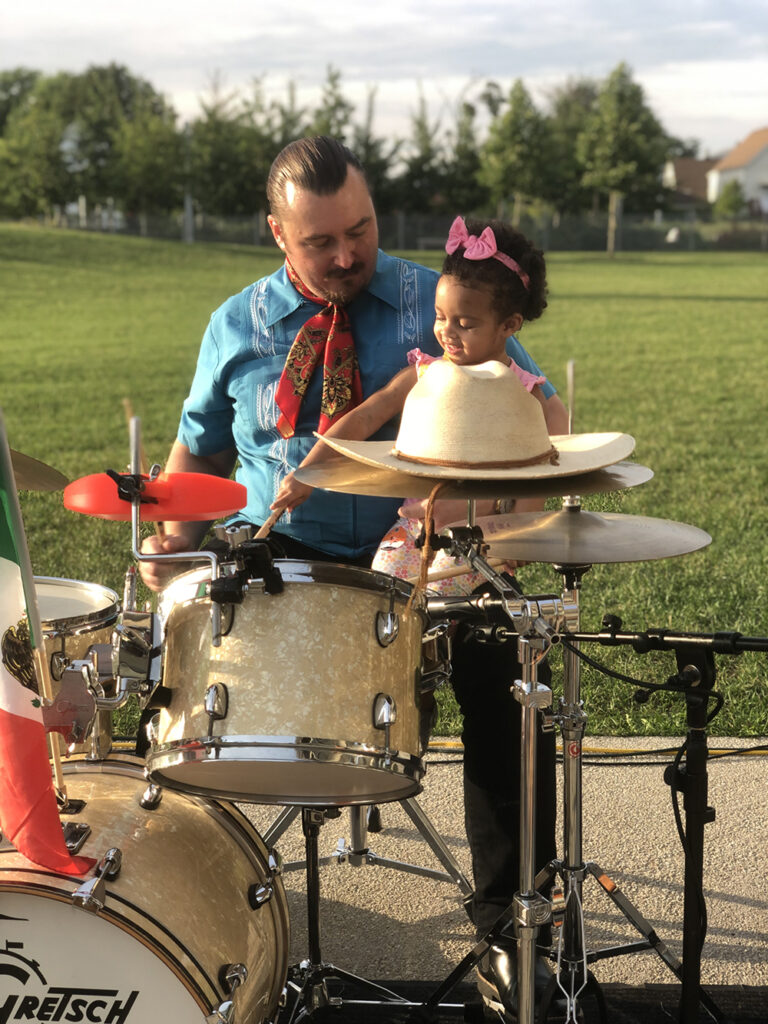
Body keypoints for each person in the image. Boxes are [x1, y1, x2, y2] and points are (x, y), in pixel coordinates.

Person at [139, 136, 569, 1019]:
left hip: (427, 559)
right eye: (319, 241)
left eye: (361, 230)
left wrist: (499, 524)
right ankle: (201, 917)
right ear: (275, 234)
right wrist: (165, 543)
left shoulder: (443, 302)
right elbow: (198, 450)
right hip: (278, 559)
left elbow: (537, 428)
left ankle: (509, 931)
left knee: (507, 680)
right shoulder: (235, 325)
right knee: (195, 695)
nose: (346, 254)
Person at [271, 214, 553, 596]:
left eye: (465, 323)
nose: (447, 333)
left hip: (484, 532)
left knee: (437, 604)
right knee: (384, 594)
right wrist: (308, 471)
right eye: (440, 317)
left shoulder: (522, 390)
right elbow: (367, 415)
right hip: (414, 526)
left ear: (509, 325)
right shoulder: (426, 373)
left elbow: (546, 459)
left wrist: (520, 525)